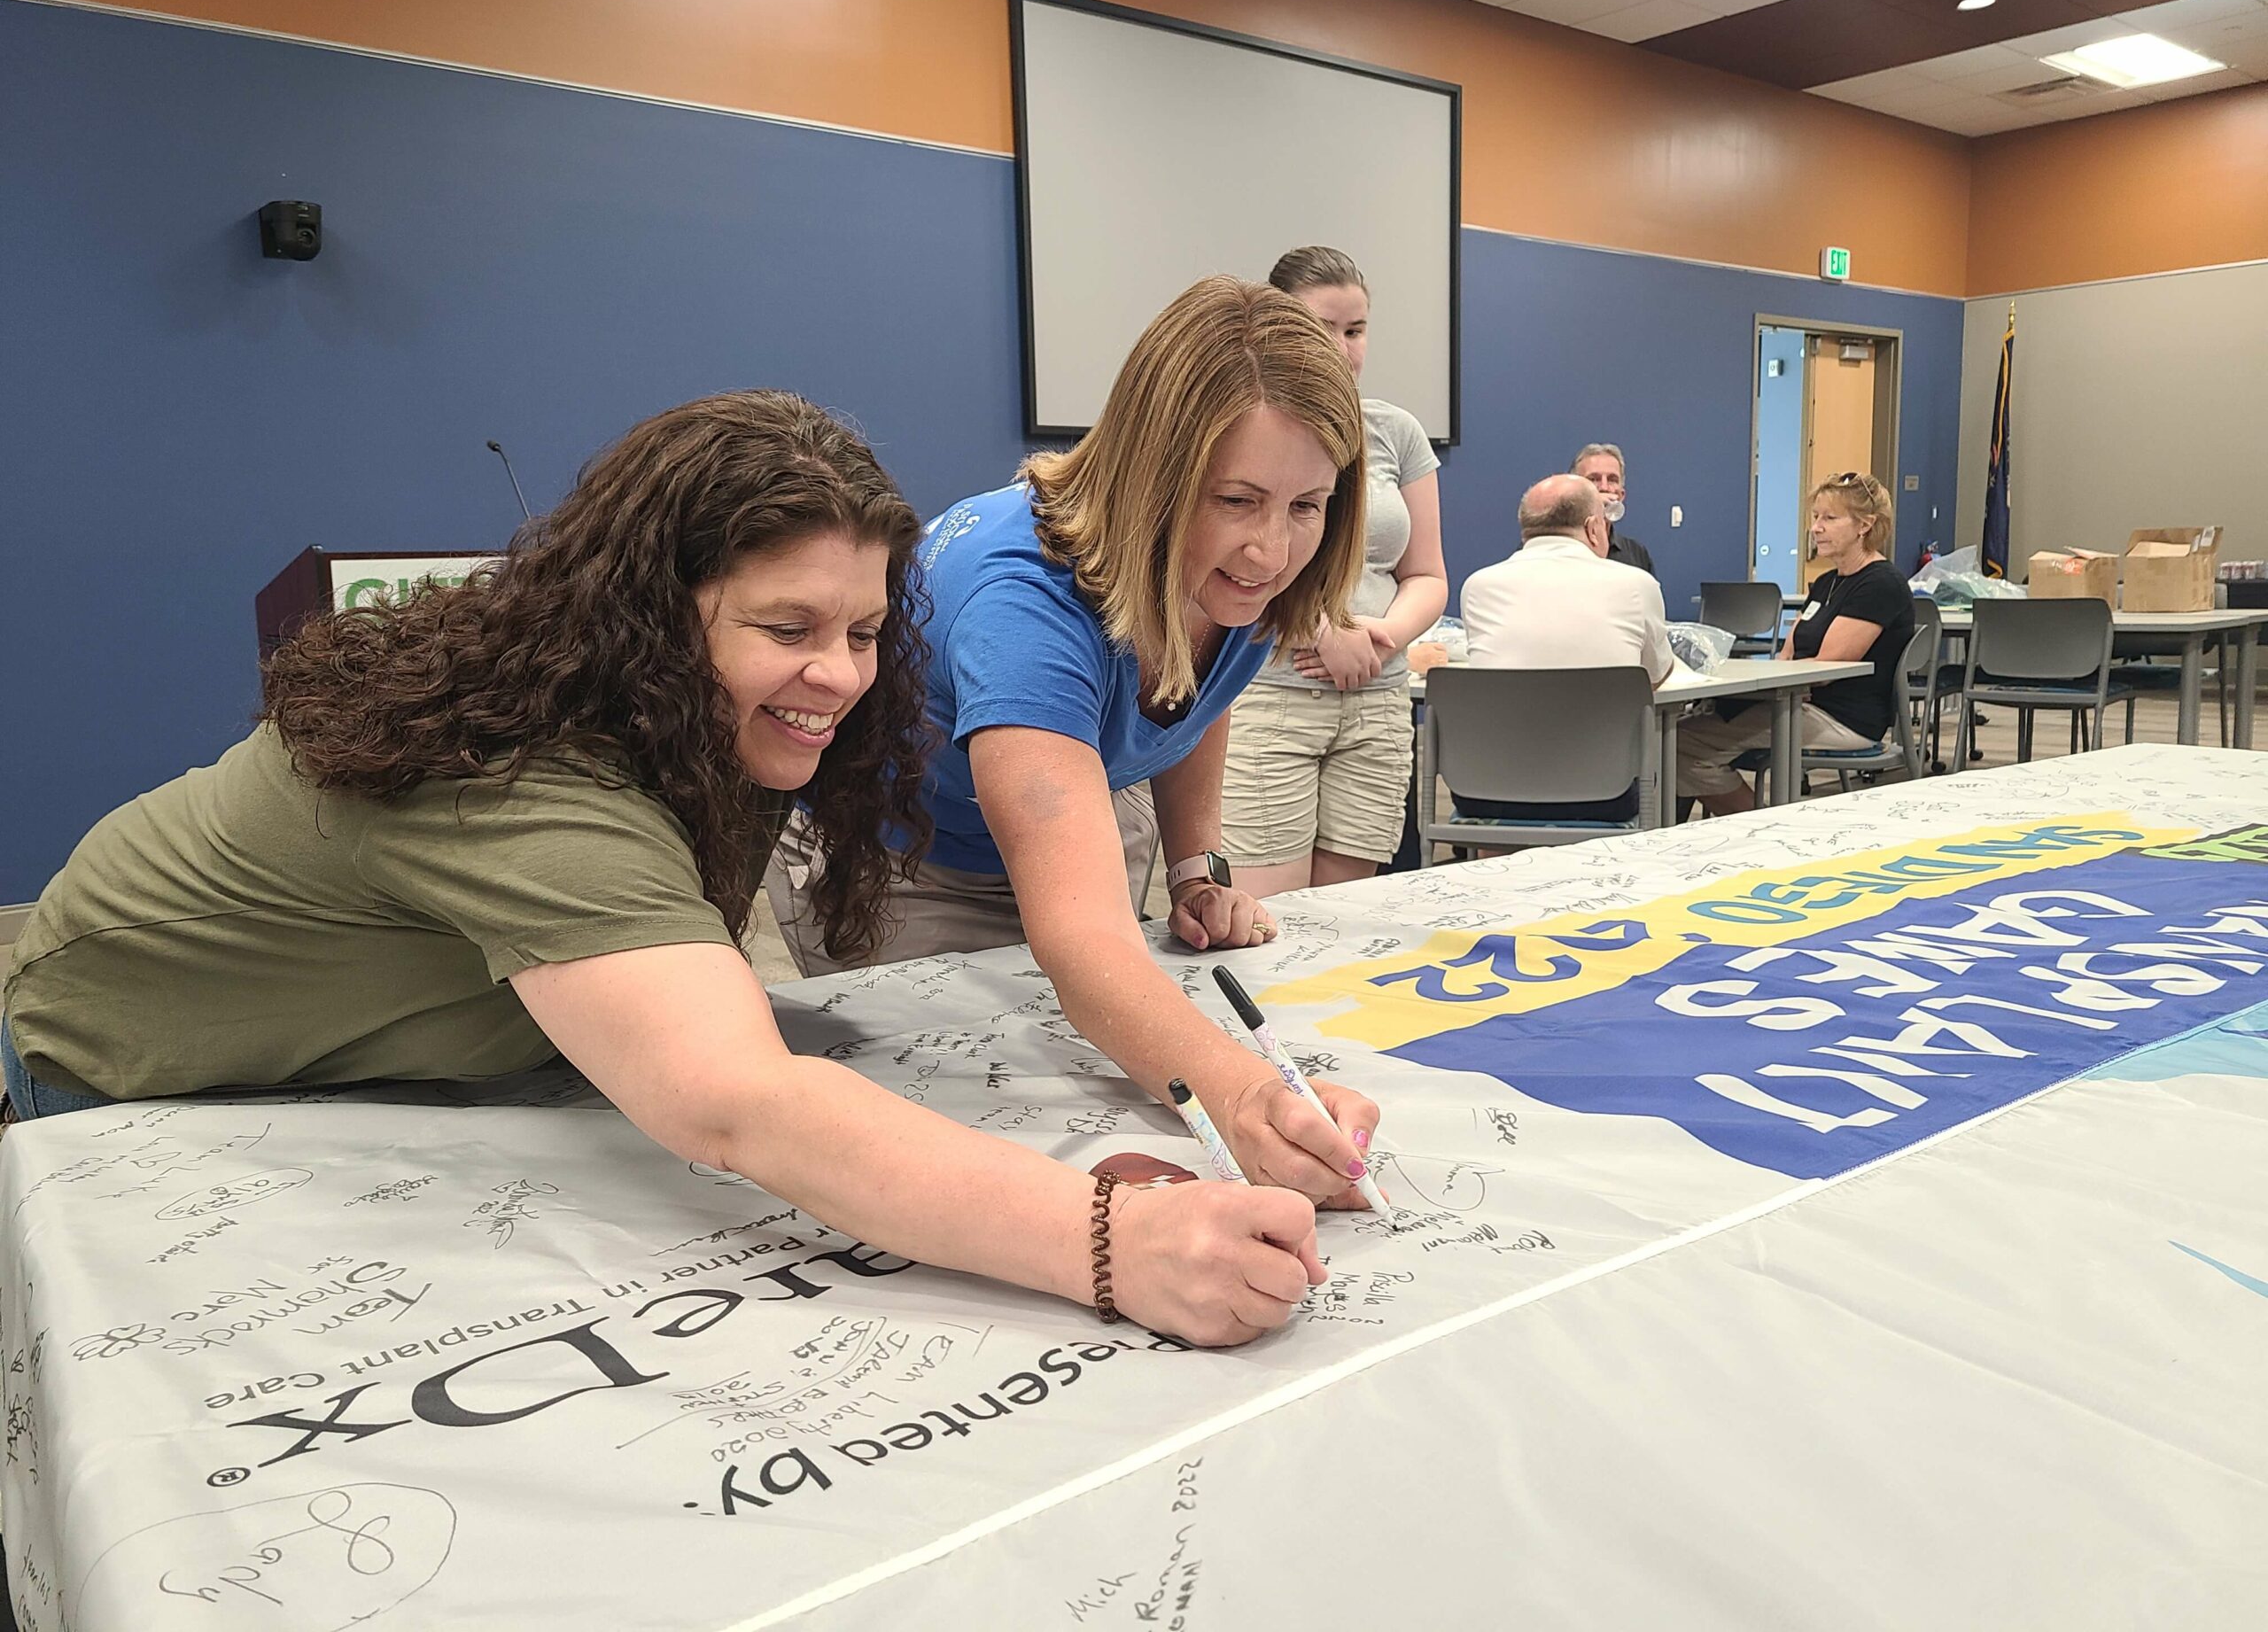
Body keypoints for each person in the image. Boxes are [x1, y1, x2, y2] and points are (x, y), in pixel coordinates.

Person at [2, 392, 1325, 1348]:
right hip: (135, 1080)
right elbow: (736, 1106)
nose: (843, 677)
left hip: (422, 1044)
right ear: (648, 610)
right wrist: (1114, 1241)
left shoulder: (693, 719)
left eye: (867, 632)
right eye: (788, 627)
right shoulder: (517, 771)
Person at [766, 276, 1386, 1212]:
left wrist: (1195, 867)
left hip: (1075, 808)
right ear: (1154, 472)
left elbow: (1191, 694)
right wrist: (1248, 1097)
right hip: (899, 856)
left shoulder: (1242, 576)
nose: (1269, 551)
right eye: (1236, 500)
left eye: (1307, 507)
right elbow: (1081, 939)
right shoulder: (1025, 603)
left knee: (1121, 1039)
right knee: (972, 1130)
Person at [1216, 246, 1447, 897]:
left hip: (1376, 701)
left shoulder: (1397, 432)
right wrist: (1322, 630)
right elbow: (1228, 556)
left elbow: (1427, 573)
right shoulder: (1244, 421)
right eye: (1324, 328)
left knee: (1347, 917)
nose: (1344, 350)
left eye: (1356, 330)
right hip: (1274, 696)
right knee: (1270, 916)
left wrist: (1381, 637)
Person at [1676, 471, 1914, 815]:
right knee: (1678, 732)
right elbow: (1788, 654)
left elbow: (1829, 667)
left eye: (1830, 518)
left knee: (1682, 745)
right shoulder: (1825, 583)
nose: (1816, 527)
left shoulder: (1880, 584)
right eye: (1816, 517)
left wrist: (1783, 681)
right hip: (1796, 704)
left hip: (1843, 718)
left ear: (1865, 525)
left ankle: (1761, 829)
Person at [1454, 473, 1674, 823]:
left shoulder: (1478, 587)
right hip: (1606, 791)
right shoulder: (1637, 585)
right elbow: (1652, 680)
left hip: (1487, 791)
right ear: (1593, 528)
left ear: (1526, 531)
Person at [1571, 442, 1654, 577]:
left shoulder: (1636, 553)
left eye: (1612, 480)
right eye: (1594, 479)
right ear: (1574, 491)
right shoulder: (1554, 549)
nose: (1604, 487)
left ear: (1621, 495)